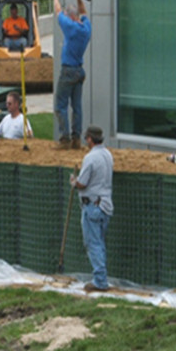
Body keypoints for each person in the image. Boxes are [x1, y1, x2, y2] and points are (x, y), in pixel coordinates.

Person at [70, 125, 113, 292]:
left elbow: (83, 183)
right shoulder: (108, 155)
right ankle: (101, 278)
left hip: (92, 206)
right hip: (105, 205)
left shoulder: (90, 158)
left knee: (93, 244)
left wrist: (74, 182)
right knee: (99, 243)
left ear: (89, 139)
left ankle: (100, 281)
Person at [53, 0, 92, 149]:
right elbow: (84, 13)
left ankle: (64, 139)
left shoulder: (71, 28)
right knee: (77, 106)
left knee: (60, 105)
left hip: (68, 70)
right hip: (79, 71)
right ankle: (77, 139)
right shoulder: (85, 28)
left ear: (71, 17)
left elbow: (58, 12)